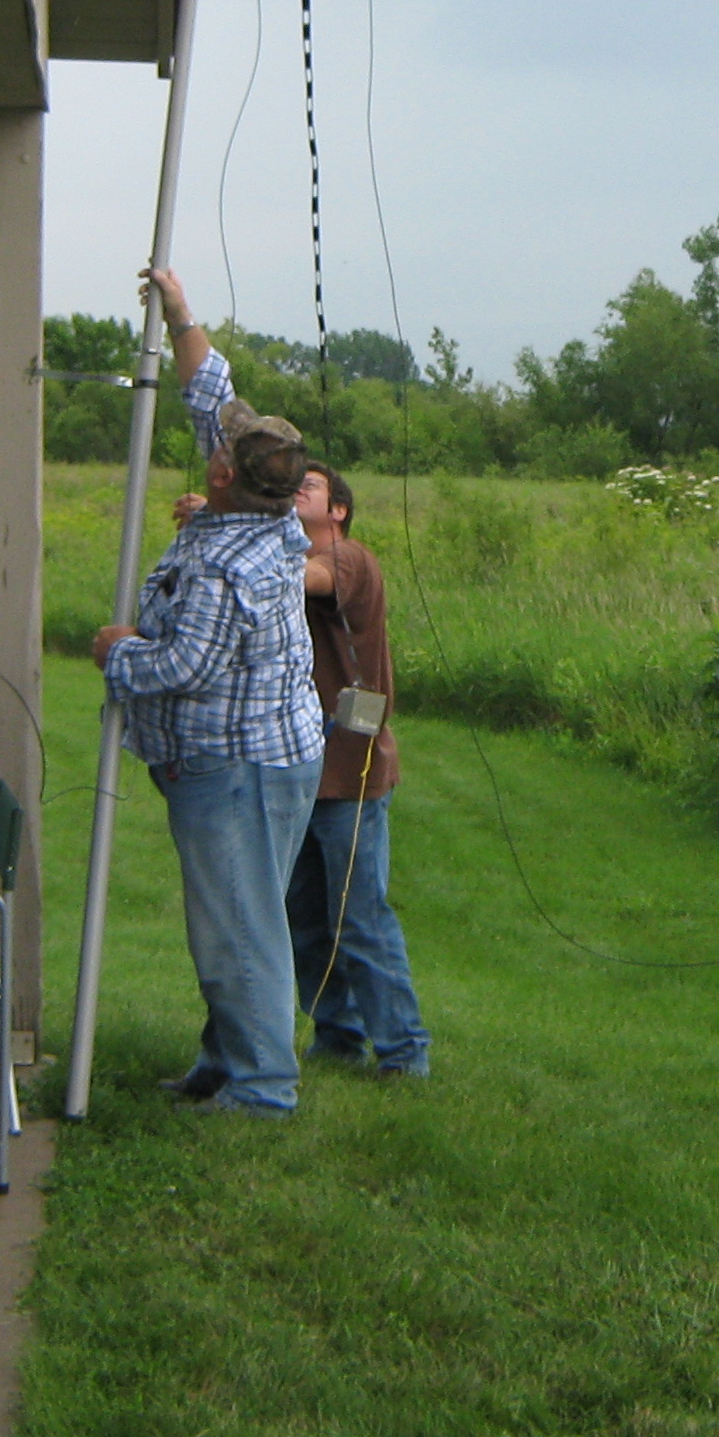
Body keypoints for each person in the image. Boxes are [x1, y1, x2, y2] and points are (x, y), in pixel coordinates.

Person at [92, 266, 325, 1115]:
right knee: (235, 916)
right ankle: (227, 1061)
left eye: (220, 446)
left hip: (238, 767)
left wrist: (118, 652)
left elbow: (183, 668)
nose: (213, 441)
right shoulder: (262, 513)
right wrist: (180, 314)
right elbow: (211, 394)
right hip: (265, 756)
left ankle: (262, 1087)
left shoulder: (229, 565)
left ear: (225, 476)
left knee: (240, 927)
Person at [286, 459, 430, 1076]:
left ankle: (404, 1052)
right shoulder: (290, 554)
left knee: (361, 919)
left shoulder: (349, 558)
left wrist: (229, 530)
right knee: (307, 920)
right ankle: (337, 1037)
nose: (297, 489)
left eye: (310, 486)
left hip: (351, 773)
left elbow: (308, 578)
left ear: (338, 511)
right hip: (298, 773)